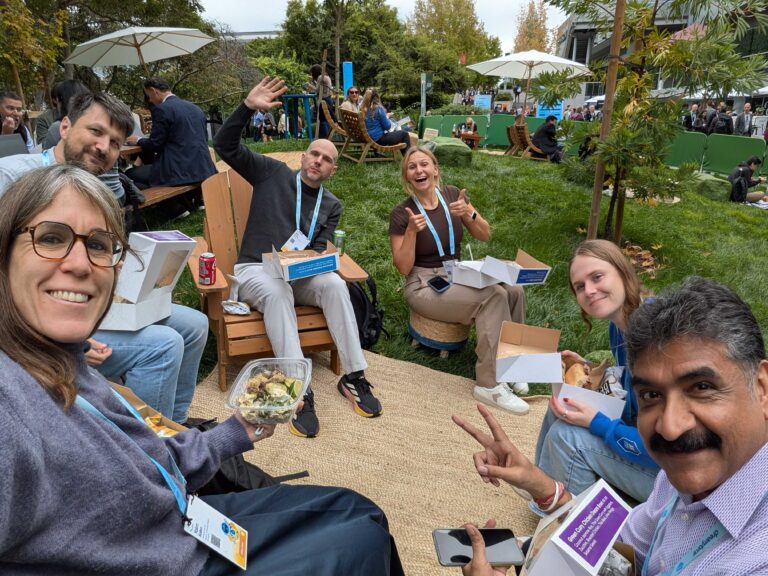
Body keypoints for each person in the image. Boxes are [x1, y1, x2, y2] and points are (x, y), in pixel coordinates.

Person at [0, 164, 403, 576]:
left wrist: (235, 431)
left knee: (359, 510)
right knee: (362, 542)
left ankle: (354, 373)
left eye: (100, 245)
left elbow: (149, 462)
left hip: (180, 521)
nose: (81, 264)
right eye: (51, 238)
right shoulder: (9, 402)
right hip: (172, 559)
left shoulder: (63, 360)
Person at [455, 276, 768, 575]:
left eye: (701, 387)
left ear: (762, 387)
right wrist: (541, 485)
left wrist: (599, 424)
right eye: (651, 394)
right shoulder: (683, 479)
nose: (670, 428)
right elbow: (623, 556)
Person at [0, 92, 209, 423]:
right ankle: (142, 450)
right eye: (95, 132)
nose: (103, 147)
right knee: (163, 346)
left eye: (115, 142)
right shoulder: (12, 178)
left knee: (195, 324)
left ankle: (175, 428)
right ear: (65, 126)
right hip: (27, 329)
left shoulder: (98, 189)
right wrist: (79, 339)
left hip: (91, 302)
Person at [214, 76, 383, 439]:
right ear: (303, 157)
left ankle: (354, 376)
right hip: (256, 270)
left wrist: (317, 261)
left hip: (297, 273)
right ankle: (298, 388)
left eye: (327, 160)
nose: (319, 162)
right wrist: (247, 107)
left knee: (335, 285)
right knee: (277, 292)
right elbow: (224, 146)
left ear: (333, 170)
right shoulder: (271, 173)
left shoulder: (332, 205)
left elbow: (319, 249)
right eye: (315, 154)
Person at [389, 146, 529, 415]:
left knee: (514, 288)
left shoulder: (452, 195)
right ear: (407, 177)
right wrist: (410, 232)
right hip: (423, 282)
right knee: (494, 296)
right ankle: (489, 384)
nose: (419, 170)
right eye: (412, 167)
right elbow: (403, 267)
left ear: (435, 169)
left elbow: (485, 235)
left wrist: (468, 213)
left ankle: (513, 365)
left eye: (424, 164)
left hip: (458, 271)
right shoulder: (402, 212)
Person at [535, 240, 659, 502]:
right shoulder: (621, 323)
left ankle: (580, 531)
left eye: (597, 277)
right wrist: (589, 371)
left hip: (681, 479)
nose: (589, 291)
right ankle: (543, 487)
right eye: (580, 286)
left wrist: (597, 422)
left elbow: (664, 443)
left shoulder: (655, 341)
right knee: (566, 402)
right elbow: (632, 387)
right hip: (654, 448)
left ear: (623, 272)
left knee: (567, 436)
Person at [125, 77, 216, 189]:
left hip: (178, 173)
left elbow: (155, 145)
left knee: (130, 174)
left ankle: (170, 205)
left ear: (154, 91)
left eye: (149, 96)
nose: (150, 100)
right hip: (204, 169)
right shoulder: (195, 108)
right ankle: (178, 203)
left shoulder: (162, 109)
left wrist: (138, 140)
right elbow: (203, 138)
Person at [41, 80, 91, 148]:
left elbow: (47, 156)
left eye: (58, 100)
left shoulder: (58, 128)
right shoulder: (96, 125)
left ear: (62, 101)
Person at [305, 64, 336, 139]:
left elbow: (317, 90)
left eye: (312, 72)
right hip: (329, 99)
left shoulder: (320, 77)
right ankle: (330, 137)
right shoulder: (326, 76)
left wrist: (308, 85)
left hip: (324, 100)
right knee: (328, 119)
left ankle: (325, 137)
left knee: (322, 120)